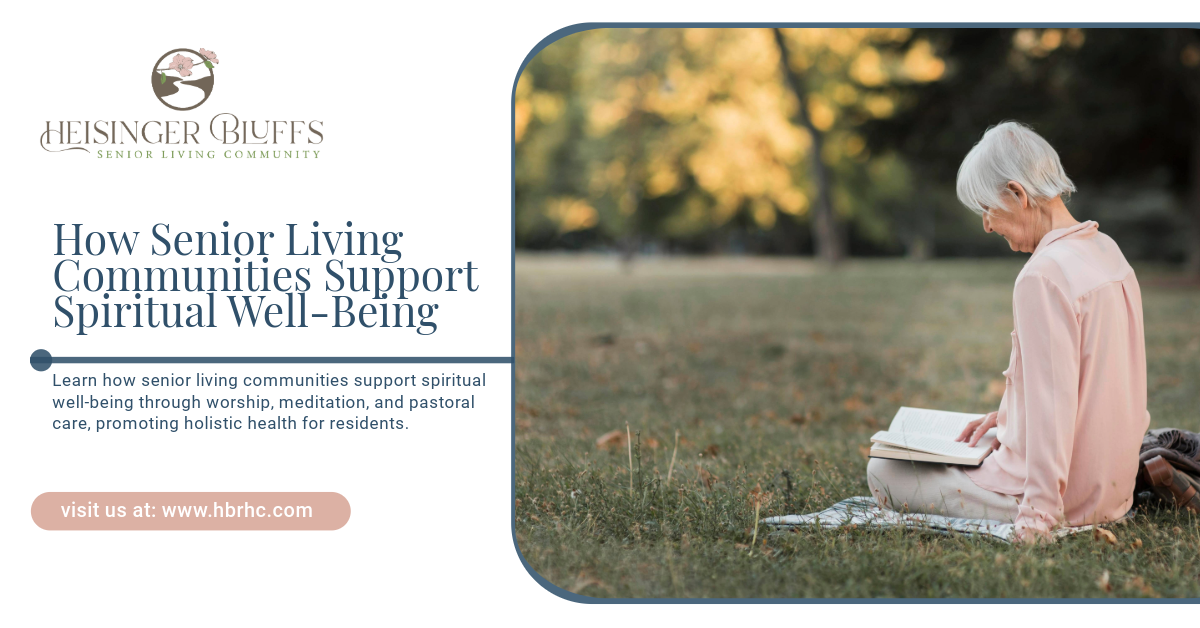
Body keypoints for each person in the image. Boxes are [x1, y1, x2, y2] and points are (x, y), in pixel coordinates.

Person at [866, 121, 1150, 543]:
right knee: (980, 440)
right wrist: (1010, 417)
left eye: (987, 208)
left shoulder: (1043, 274)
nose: (986, 225)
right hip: (1114, 490)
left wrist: (1037, 519)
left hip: (1066, 499)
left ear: (1018, 194)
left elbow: (1053, 409)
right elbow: (1101, 380)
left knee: (884, 470)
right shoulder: (1107, 250)